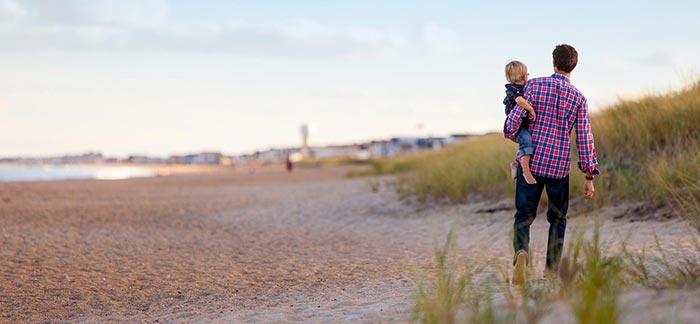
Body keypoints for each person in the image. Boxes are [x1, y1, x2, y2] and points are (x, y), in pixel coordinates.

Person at [504, 44, 600, 285]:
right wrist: (589, 176)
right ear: (573, 66)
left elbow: (513, 123)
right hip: (558, 167)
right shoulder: (579, 98)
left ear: (553, 63)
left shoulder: (533, 85)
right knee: (558, 219)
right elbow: (585, 138)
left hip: (533, 163)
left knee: (523, 216)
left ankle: (521, 253)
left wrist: (513, 131)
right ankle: (551, 272)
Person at [503, 61, 538, 185]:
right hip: (514, 125)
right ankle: (526, 171)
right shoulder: (514, 89)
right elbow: (519, 100)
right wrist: (530, 109)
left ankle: (516, 164)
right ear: (524, 76)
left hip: (521, 124)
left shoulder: (522, 88)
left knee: (525, 143)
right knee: (526, 140)